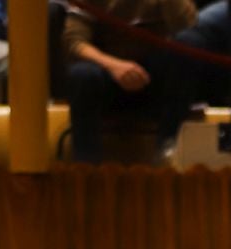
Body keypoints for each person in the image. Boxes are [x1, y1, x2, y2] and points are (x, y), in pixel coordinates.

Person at [60, 0, 197, 162]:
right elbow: (74, 41)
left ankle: (168, 154)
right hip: (107, 72)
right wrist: (114, 66)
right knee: (82, 75)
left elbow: (188, 27)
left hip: (154, 76)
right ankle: (87, 165)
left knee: (188, 47)